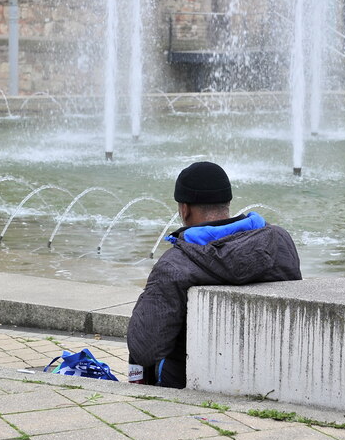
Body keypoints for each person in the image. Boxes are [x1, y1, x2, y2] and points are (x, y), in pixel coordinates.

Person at [127, 161, 302, 388]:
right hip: (273, 377)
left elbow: (145, 349)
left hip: (186, 380)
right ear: (227, 204)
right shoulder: (279, 241)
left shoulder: (175, 264)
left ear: (184, 209)